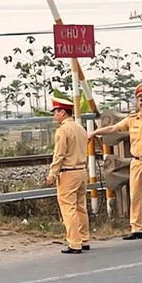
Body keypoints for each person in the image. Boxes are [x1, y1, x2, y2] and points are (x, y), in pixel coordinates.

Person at [88, 83, 142, 241]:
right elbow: (114, 129)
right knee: (135, 196)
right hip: (136, 162)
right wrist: (94, 133)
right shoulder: (132, 119)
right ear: (137, 101)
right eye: (141, 100)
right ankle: (137, 228)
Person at [45, 97, 90, 254]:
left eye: (55, 112)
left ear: (62, 112)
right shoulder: (80, 128)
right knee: (80, 206)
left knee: (68, 207)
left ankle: (74, 242)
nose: (54, 116)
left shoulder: (63, 130)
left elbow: (59, 154)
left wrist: (52, 174)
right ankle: (84, 238)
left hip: (68, 172)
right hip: (81, 170)